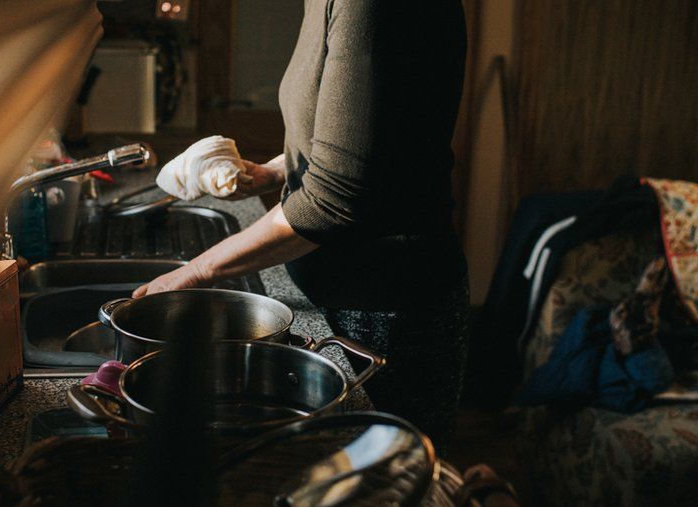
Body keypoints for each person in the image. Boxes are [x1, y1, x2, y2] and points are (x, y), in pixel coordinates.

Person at [134, 0, 469, 447]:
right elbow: (364, 141)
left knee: (374, 491)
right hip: (338, 293)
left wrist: (196, 271)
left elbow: (335, 199)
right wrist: (274, 173)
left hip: (381, 308)